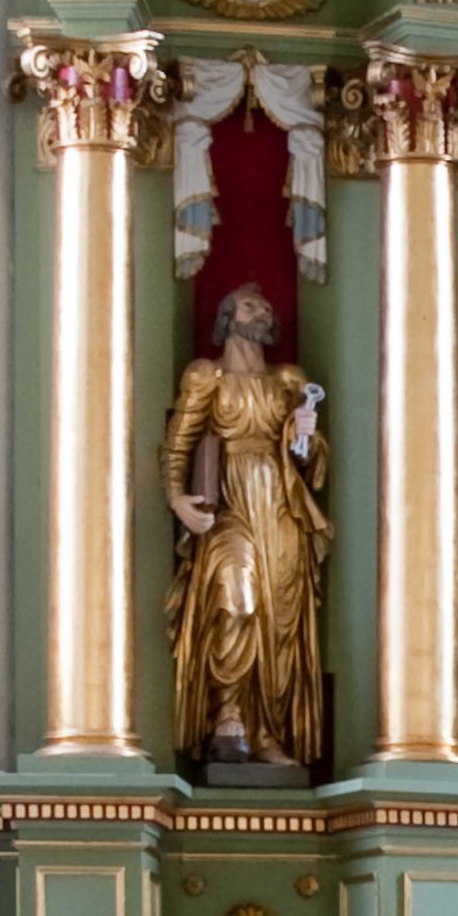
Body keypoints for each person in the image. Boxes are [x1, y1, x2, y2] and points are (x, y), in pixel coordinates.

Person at [161, 284, 331, 775]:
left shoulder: (288, 380)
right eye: (250, 304)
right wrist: (177, 499)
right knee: (236, 597)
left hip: (280, 508)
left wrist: (304, 438)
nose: (263, 310)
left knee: (279, 621)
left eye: (267, 305)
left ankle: (266, 735)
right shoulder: (206, 375)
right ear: (226, 315)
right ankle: (228, 715)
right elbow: (179, 443)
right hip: (229, 507)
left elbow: (309, 462)